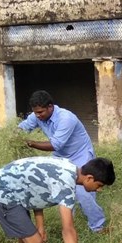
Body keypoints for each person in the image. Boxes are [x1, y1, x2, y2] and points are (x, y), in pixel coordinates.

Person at [18, 90, 108, 233]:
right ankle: (69, 227)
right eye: (35, 113)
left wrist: (30, 143)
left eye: (41, 112)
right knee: (62, 190)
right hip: (60, 157)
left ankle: (98, 226)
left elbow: (56, 144)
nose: (38, 115)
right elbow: (22, 128)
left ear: (50, 107)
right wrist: (14, 136)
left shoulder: (66, 118)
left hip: (80, 155)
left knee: (83, 192)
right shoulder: (37, 116)